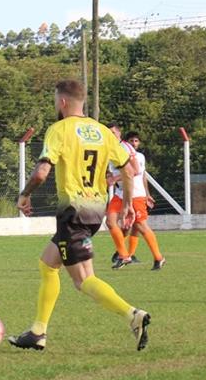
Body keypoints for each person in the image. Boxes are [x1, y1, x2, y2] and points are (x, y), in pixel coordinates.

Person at [13, 79, 151, 351]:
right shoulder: (102, 132)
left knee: (83, 280)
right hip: (95, 211)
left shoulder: (59, 129)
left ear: (63, 102)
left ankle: (132, 315)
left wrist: (24, 194)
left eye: (55, 100)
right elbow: (130, 167)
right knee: (48, 263)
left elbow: (42, 172)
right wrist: (125, 205)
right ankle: (38, 332)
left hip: (72, 212)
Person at [121, 130, 165, 270]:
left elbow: (142, 176)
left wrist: (147, 194)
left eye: (136, 141)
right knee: (130, 226)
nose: (134, 143)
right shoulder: (123, 154)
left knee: (140, 226)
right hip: (126, 195)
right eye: (131, 141)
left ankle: (158, 258)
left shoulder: (139, 156)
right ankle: (126, 255)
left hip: (136, 195)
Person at [104, 124, 136, 268]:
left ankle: (157, 257)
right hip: (119, 192)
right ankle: (124, 255)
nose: (110, 135)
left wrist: (114, 179)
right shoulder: (110, 148)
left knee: (136, 226)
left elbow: (134, 170)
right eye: (108, 133)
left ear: (119, 133)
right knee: (111, 222)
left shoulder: (125, 147)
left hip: (132, 192)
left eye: (113, 132)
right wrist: (110, 176)